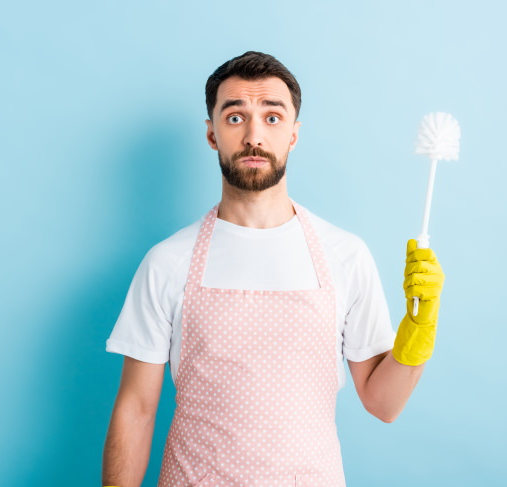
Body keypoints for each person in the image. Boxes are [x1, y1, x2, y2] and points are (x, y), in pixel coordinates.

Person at [102, 51, 445, 487]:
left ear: (294, 135)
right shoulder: (167, 262)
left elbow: (383, 404)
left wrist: (418, 330)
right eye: (234, 117)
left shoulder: (345, 255)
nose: (253, 136)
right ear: (211, 134)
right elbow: (136, 408)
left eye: (272, 117)